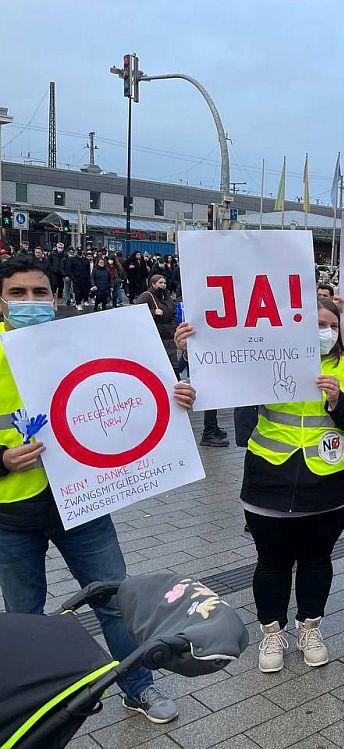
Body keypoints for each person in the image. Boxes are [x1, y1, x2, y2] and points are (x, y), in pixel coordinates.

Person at [0, 256, 193, 723]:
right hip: (11, 516)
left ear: (56, 297)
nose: (31, 302)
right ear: (1, 301)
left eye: (40, 293)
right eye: (18, 294)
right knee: (26, 618)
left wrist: (176, 389)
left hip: (82, 504)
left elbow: (126, 384)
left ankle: (139, 687)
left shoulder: (75, 342)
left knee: (115, 601)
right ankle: (40, 706)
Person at [177, 298, 344, 673]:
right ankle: (272, 632)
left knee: (317, 561)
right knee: (272, 562)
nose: (324, 331)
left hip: (329, 486)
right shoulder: (266, 361)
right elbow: (220, 381)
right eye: (316, 323)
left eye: (331, 325)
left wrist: (338, 400)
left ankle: (310, 628)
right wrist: (195, 353)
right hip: (270, 480)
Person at [134, 274, 179, 372]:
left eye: (164, 283)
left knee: (173, 366)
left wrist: (173, 327)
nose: (163, 285)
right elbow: (136, 311)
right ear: (153, 284)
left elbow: (173, 313)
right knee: (160, 366)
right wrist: (153, 312)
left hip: (169, 334)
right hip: (155, 334)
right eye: (160, 283)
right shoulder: (147, 296)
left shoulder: (167, 296)